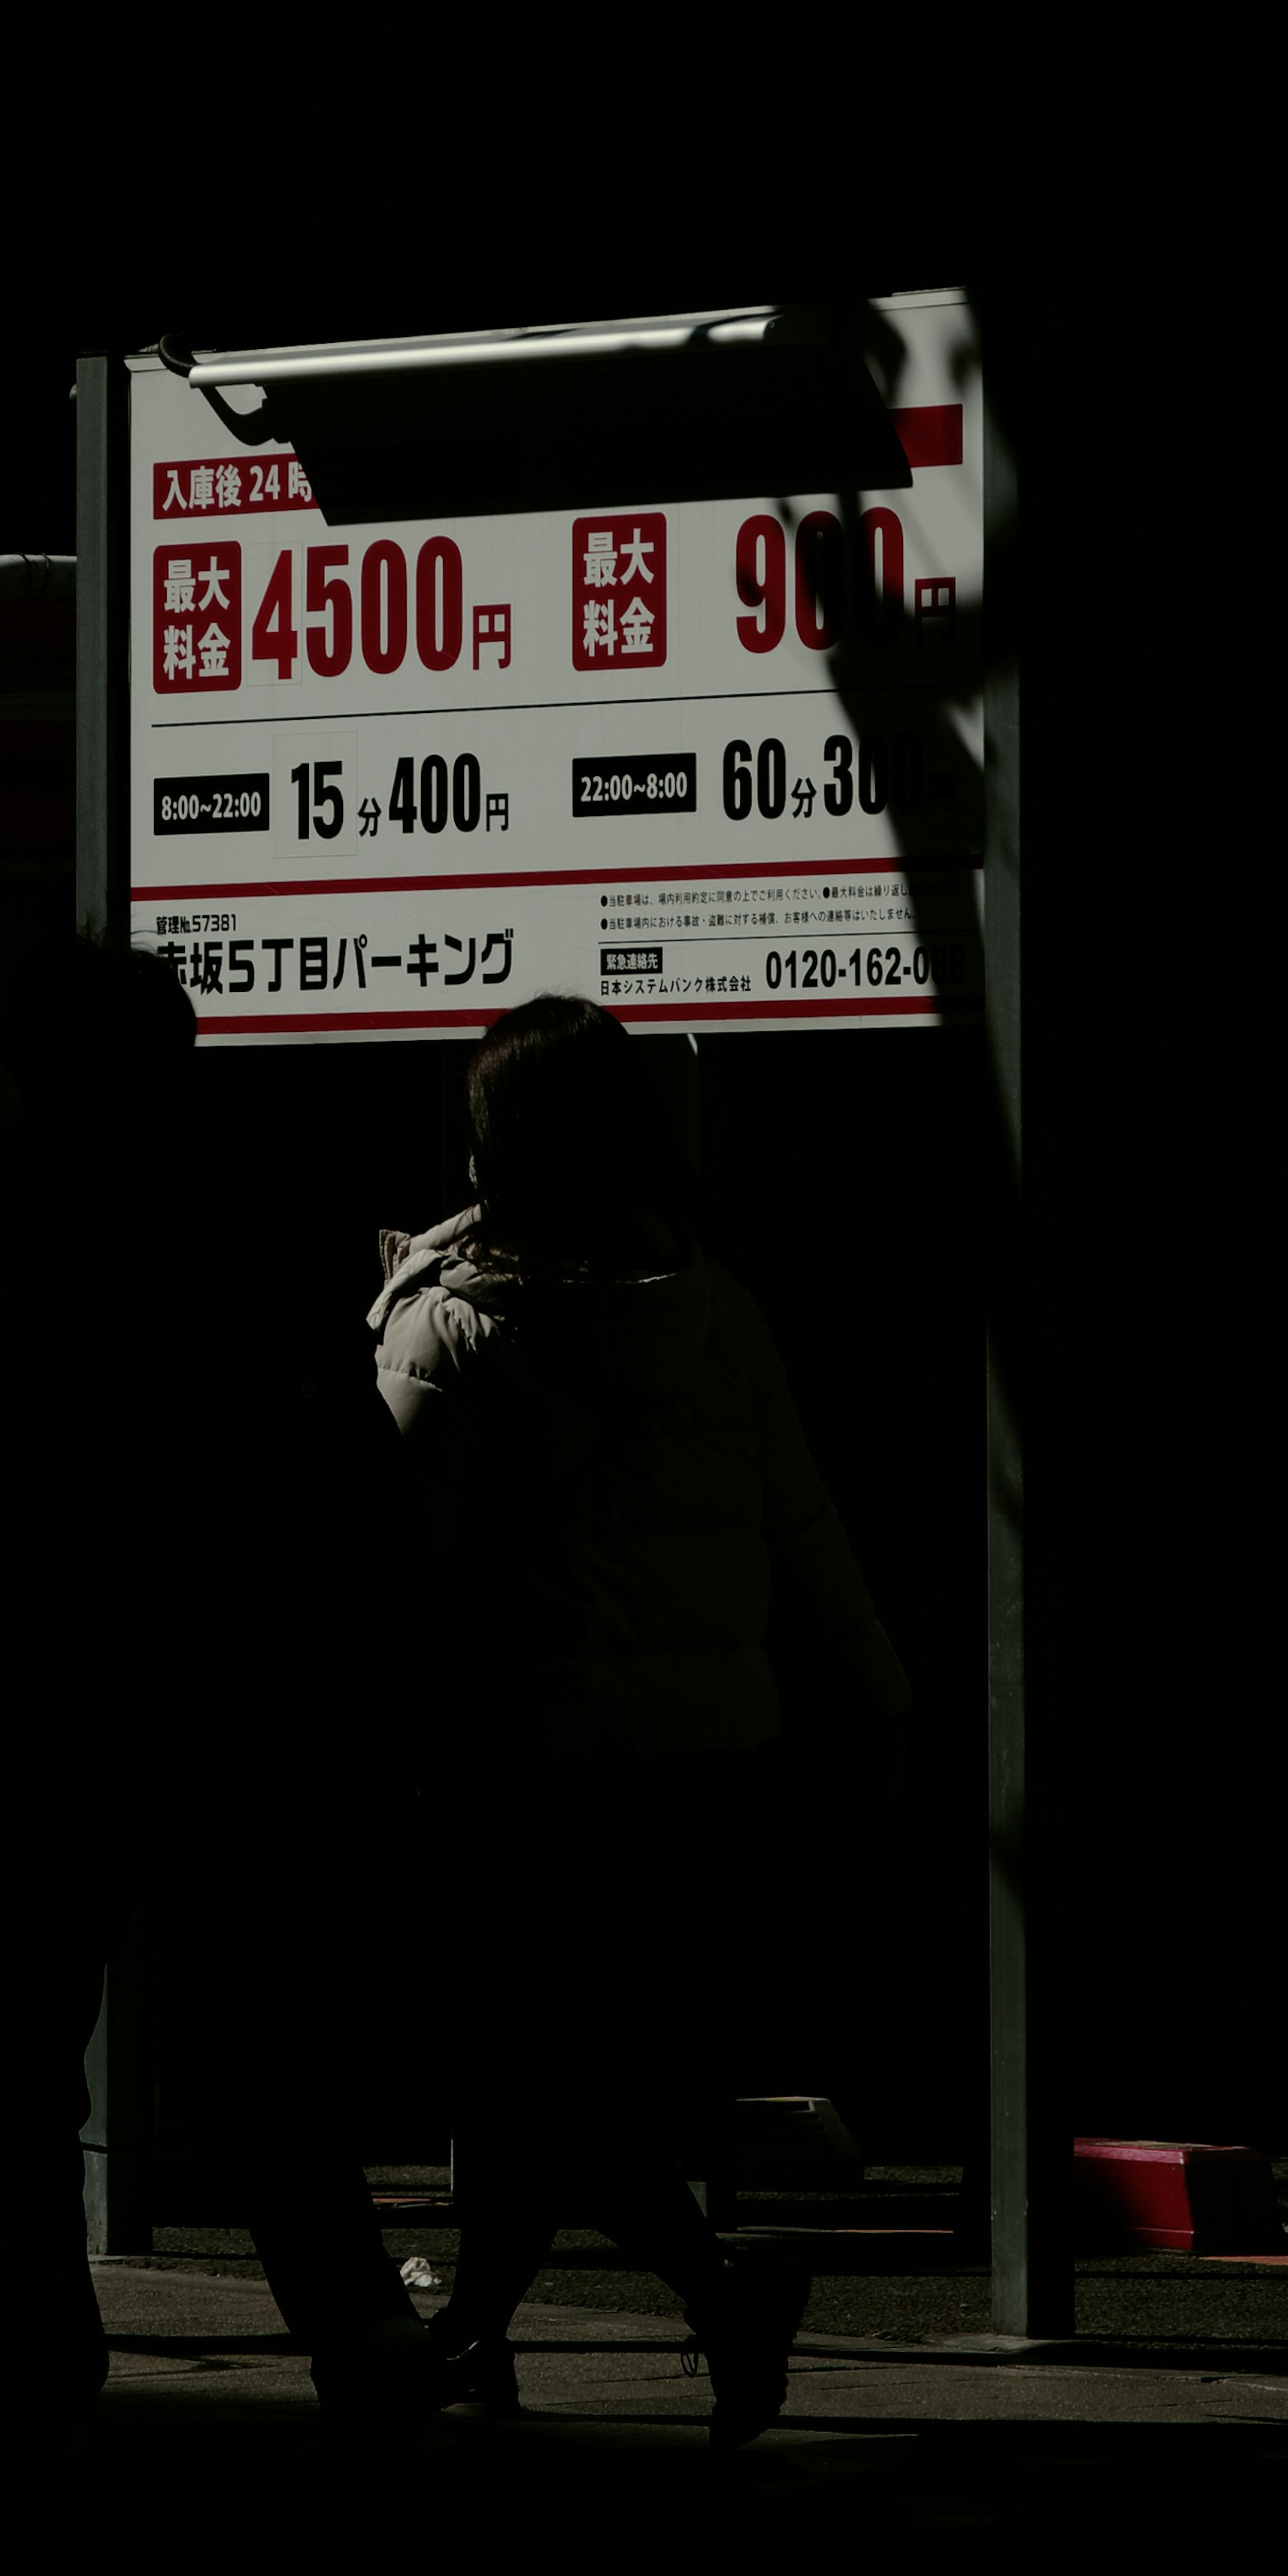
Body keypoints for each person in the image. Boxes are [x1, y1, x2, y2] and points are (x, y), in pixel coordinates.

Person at [0, 927, 429, 2474]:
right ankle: (362, 2339)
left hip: (43, 1701)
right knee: (257, 2037)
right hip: (237, 1699)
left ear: (30, 1060)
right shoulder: (253, 1227)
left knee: (11, 2060)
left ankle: (42, 2362)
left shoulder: (5, 1230)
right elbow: (351, 1483)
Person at [370, 992, 914, 2447]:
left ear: (495, 1148)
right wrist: (879, 1693)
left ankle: (717, 2291)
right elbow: (801, 1524)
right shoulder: (711, 1307)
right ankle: (479, 2329)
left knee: (522, 2071)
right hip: (690, 1761)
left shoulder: (458, 1325)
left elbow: (390, 1554)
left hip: (511, 1759)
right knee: (572, 2065)